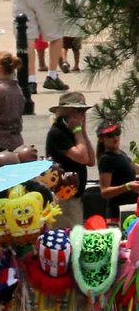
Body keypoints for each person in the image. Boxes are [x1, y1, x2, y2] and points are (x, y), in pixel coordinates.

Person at [45, 91, 96, 228]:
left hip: (74, 198)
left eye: (84, 111)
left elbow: (91, 161)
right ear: (67, 112)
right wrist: (78, 131)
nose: (82, 115)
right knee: (70, 240)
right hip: (64, 199)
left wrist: (82, 132)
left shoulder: (74, 132)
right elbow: (82, 157)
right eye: (79, 111)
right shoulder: (58, 133)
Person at [96, 119, 139, 222]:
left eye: (117, 133)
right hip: (117, 215)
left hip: (130, 211)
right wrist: (127, 186)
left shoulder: (121, 154)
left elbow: (135, 168)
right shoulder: (106, 159)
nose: (115, 137)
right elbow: (104, 191)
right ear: (102, 139)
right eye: (110, 135)